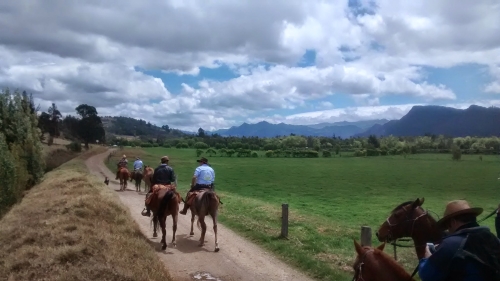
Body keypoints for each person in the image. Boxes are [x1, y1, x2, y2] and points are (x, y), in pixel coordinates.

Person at [418, 200, 500, 281]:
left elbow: (427, 276)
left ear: (453, 222)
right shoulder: (493, 238)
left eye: (447, 225)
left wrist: (427, 258)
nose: (448, 230)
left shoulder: (450, 244)